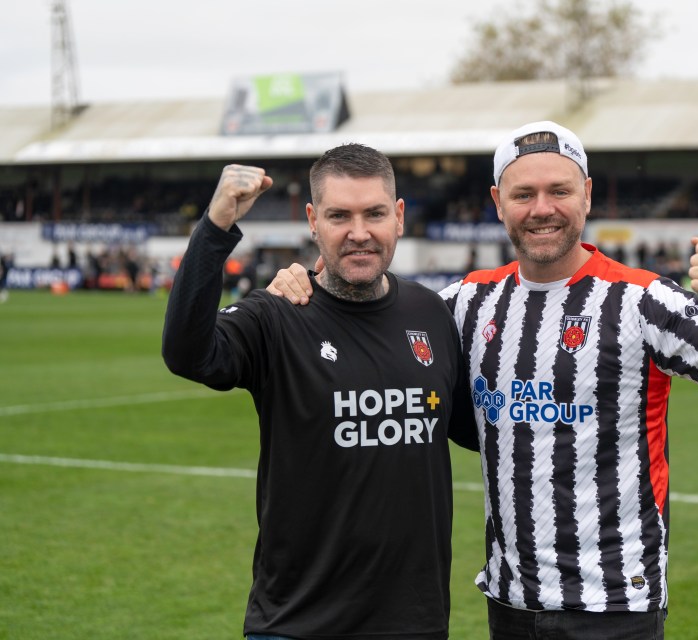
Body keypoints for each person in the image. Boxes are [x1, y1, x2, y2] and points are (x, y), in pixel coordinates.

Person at [268, 122, 698, 640]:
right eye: (524, 194)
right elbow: (372, 314)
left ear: (586, 195)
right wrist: (302, 284)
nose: (541, 208)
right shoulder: (465, 304)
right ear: (499, 203)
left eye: (558, 190)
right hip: (511, 603)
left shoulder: (644, 299)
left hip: (613, 607)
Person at [161, 144, 477, 639]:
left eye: (374, 213)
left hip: (414, 623)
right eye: (339, 216)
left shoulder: (430, 312)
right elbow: (188, 354)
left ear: (398, 217)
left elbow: (474, 430)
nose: (358, 232)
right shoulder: (277, 314)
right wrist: (216, 226)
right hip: (297, 624)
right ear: (313, 220)